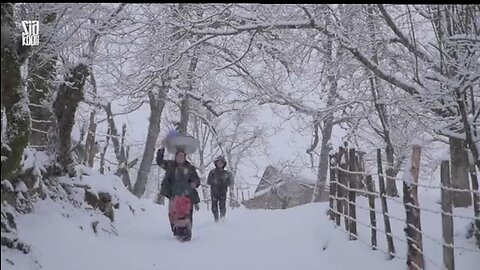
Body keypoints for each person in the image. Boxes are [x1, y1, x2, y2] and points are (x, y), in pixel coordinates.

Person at [156, 140, 200, 240]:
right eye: (178, 156)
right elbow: (159, 161)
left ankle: (187, 234)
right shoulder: (170, 166)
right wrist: (161, 149)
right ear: (175, 157)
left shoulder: (190, 168)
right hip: (173, 195)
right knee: (173, 215)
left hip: (187, 196)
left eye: (182, 156)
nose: (180, 158)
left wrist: (195, 183)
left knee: (187, 216)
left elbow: (197, 180)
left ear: (185, 157)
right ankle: (176, 232)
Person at [207, 155, 233, 222]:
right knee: (214, 206)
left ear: (224, 164)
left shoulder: (226, 173)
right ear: (216, 163)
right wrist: (214, 182)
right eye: (218, 162)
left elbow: (230, 183)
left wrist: (225, 182)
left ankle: (222, 219)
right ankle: (216, 219)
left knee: (222, 205)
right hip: (214, 192)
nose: (220, 164)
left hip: (223, 191)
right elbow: (208, 181)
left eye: (221, 162)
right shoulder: (212, 172)